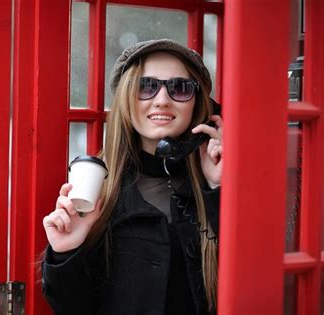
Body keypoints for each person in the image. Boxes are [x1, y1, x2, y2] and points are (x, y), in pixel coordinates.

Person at [41, 38, 223, 315]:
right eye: (146, 87)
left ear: (200, 106)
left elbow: (252, 281)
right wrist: (66, 253)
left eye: (180, 88)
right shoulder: (95, 185)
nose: (162, 100)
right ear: (127, 98)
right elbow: (74, 308)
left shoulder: (215, 184)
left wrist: (217, 189)